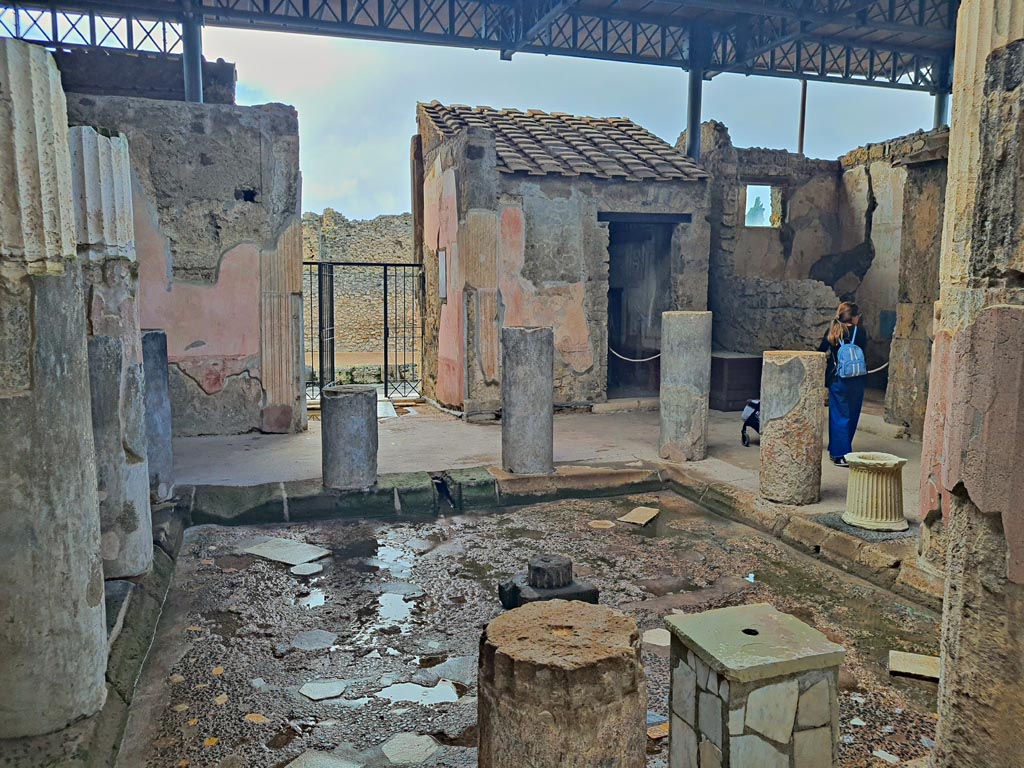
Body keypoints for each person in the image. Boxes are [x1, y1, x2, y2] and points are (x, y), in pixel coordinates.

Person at [817, 302, 868, 467]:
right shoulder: (860, 332)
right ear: (854, 317)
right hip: (857, 379)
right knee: (852, 415)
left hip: (837, 379)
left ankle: (838, 451)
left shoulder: (833, 331)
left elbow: (820, 350)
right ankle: (841, 452)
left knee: (839, 415)